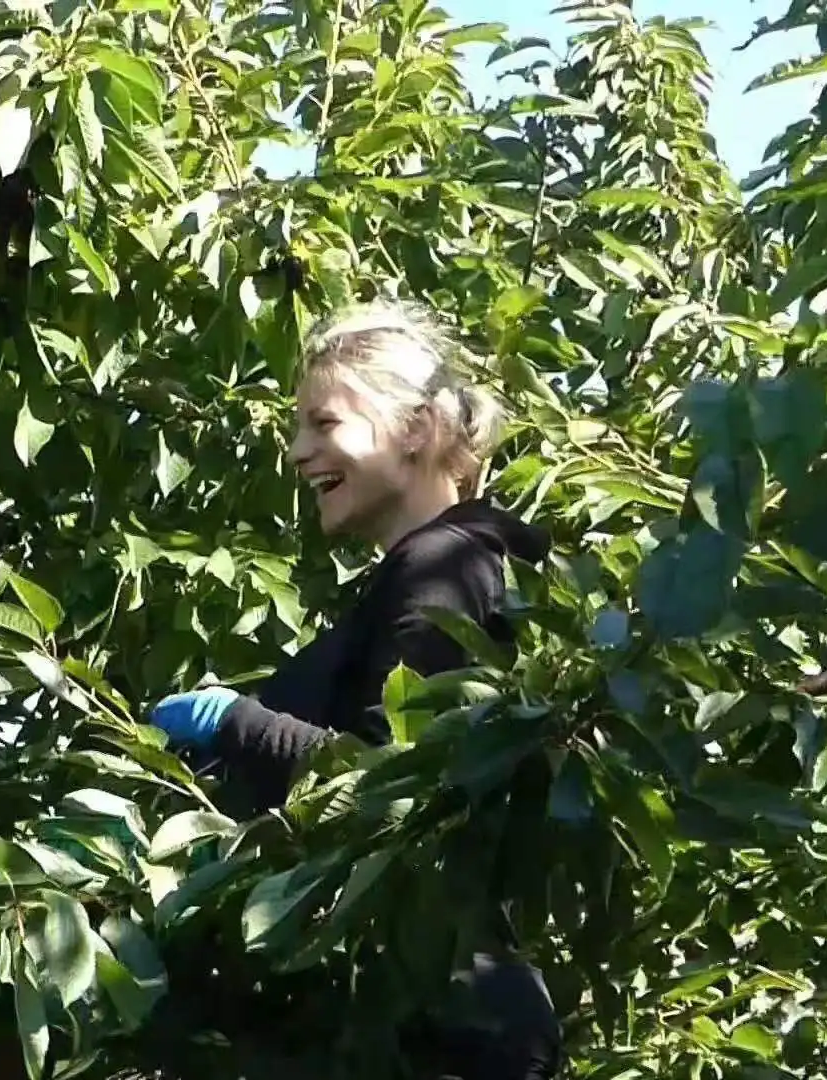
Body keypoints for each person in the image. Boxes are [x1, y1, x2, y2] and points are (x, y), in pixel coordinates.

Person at [146, 301, 564, 1080]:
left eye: (323, 423)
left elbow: (390, 791)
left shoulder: (445, 564)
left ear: (415, 428)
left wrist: (233, 721)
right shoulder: (442, 572)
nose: (299, 452)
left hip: (437, 1026)